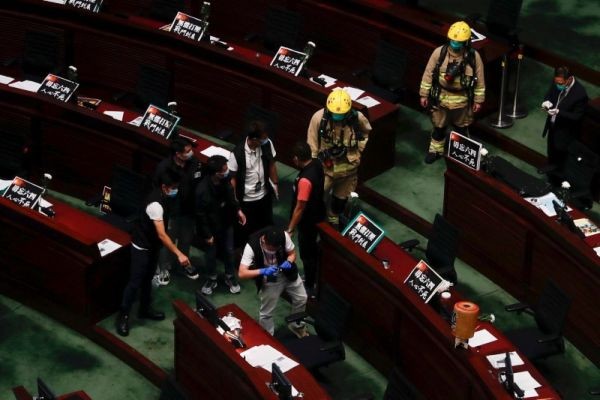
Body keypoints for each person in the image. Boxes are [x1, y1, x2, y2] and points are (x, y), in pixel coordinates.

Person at [116, 168, 190, 337]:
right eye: (173, 187)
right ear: (165, 187)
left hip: (153, 246)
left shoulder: (166, 197)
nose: (175, 190)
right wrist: (179, 253)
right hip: (142, 246)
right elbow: (162, 234)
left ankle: (144, 309)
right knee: (135, 282)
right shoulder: (155, 204)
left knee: (148, 278)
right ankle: (123, 315)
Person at [419, 21, 485, 164]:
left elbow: (479, 80)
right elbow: (428, 74)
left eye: (459, 41)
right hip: (440, 99)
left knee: (462, 131)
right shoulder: (439, 53)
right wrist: (424, 94)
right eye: (453, 40)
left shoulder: (474, 57)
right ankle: (435, 151)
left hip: (462, 102)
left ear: (466, 41)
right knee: (438, 128)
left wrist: (478, 100)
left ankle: (461, 156)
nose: (455, 43)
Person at [307, 88, 370, 227]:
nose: (337, 116)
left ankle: (333, 219)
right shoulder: (319, 118)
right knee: (316, 198)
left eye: (341, 114)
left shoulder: (357, 118)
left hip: (349, 169)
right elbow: (312, 143)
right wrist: (314, 166)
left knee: (340, 200)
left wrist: (358, 150)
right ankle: (317, 221)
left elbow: (365, 134)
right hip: (326, 169)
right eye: (335, 113)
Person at [238, 227, 308, 337]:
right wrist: (263, 271)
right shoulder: (251, 245)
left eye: (275, 249)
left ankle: (296, 326)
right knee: (266, 313)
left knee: (302, 298)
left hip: (288, 273)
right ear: (264, 240)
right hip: (269, 278)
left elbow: (292, 254)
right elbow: (242, 273)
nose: (273, 252)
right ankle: (268, 337)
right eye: (270, 249)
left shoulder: (284, 236)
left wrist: (289, 262)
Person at [153, 136, 201, 284]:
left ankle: (182, 265)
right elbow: (156, 190)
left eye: (190, 150)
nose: (191, 153)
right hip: (171, 212)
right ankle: (164, 269)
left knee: (186, 240)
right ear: (178, 154)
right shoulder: (164, 168)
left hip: (189, 211)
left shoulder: (194, 163)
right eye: (187, 151)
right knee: (168, 243)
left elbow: (197, 184)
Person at [196, 155, 247, 295]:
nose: (227, 171)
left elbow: (231, 197)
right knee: (211, 255)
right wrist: (207, 235)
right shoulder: (202, 190)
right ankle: (211, 278)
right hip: (211, 228)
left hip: (226, 223)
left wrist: (238, 210)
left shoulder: (225, 180)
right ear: (215, 173)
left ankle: (230, 277)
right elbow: (201, 216)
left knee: (229, 252)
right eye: (224, 170)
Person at [228, 121, 279, 245]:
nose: (266, 141)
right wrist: (236, 204)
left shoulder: (267, 144)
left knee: (267, 228)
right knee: (246, 233)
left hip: (264, 196)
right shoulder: (237, 153)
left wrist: (275, 184)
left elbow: (272, 163)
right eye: (262, 139)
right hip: (246, 200)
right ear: (254, 139)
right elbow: (232, 179)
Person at [287, 142, 326, 297]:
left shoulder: (304, 180)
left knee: (307, 255)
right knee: (314, 252)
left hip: (308, 222)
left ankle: (310, 286)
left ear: (297, 159)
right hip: (318, 214)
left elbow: (300, 208)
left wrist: (290, 228)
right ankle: (315, 278)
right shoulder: (316, 164)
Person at [541, 66, 589, 167]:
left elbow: (577, 116)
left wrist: (559, 112)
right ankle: (550, 169)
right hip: (552, 125)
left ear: (570, 79)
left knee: (561, 157)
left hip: (565, 132)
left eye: (560, 83)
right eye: (556, 82)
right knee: (551, 150)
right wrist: (546, 102)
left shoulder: (580, 94)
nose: (558, 85)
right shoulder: (557, 81)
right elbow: (549, 94)